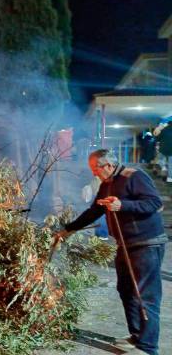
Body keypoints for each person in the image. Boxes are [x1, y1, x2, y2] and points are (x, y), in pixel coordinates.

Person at [55, 149, 167, 355]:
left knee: (145, 294)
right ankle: (137, 336)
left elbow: (155, 203)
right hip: (125, 245)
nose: (94, 174)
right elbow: (95, 210)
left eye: (95, 169)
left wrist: (122, 204)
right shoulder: (107, 184)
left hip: (147, 243)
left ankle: (148, 347)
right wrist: (69, 229)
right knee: (126, 289)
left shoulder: (134, 176)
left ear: (107, 165)